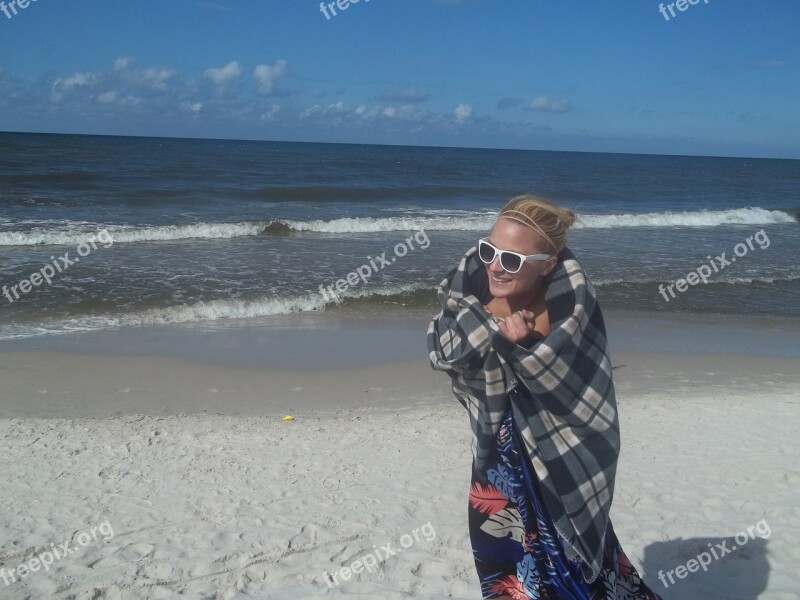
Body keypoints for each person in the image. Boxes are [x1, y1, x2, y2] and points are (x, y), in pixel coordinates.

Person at [427, 195, 662, 599]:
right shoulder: (469, 288)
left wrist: (526, 347)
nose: (496, 266)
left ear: (548, 264)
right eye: (490, 250)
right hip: (498, 450)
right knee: (503, 556)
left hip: (556, 456)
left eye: (514, 259)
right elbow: (445, 345)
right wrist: (496, 335)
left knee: (564, 556)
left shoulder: (570, 309)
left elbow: (577, 388)